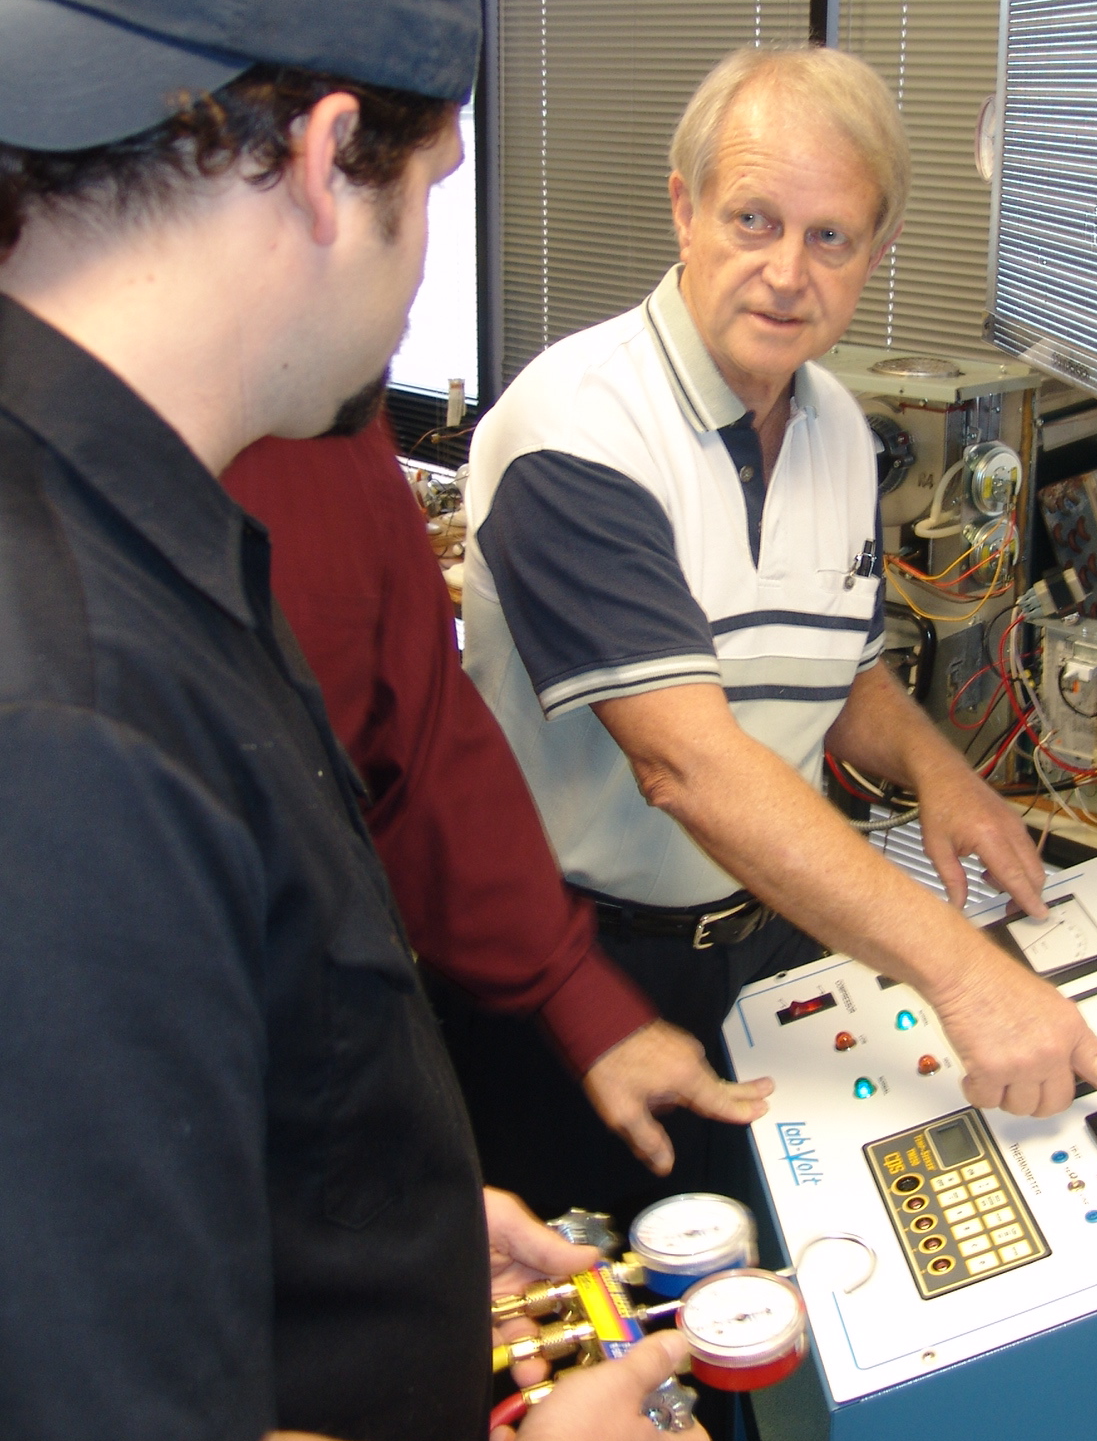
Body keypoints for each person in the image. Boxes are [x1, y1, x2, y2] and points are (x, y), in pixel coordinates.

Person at [0, 0, 709, 1441]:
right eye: (435, 186)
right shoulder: (69, 710)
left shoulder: (127, 511)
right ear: (329, 158)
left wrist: (356, 1221)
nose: (418, 271)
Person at [459, 43, 1097, 1441]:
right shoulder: (580, 430)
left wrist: (943, 777)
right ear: (683, 206)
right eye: (753, 219)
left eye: (831, 237)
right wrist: (966, 983)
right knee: (601, 1394)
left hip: (745, 955)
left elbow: (828, 663)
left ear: (880, 249)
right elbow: (691, 765)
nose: (787, 271)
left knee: (754, 1345)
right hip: (565, 988)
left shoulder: (834, 425)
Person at [222, 410, 772, 1184]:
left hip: (322, 1072)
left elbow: (424, 749)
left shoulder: (335, 441)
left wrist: (579, 999)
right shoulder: (567, 424)